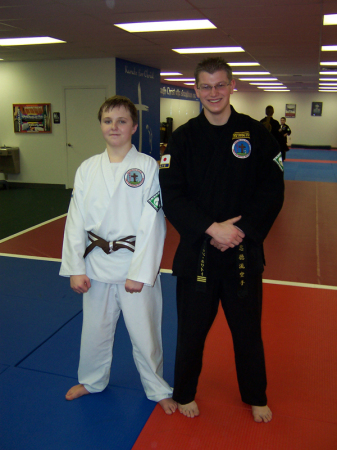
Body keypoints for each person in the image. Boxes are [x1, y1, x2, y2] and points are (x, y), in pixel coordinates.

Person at [159, 57, 284, 423]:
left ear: (233, 86)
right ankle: (183, 392)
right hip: (198, 251)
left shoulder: (257, 134)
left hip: (242, 252)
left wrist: (239, 231)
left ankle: (255, 396)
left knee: (247, 331)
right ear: (196, 90)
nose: (213, 93)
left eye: (220, 85)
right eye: (205, 86)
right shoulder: (182, 139)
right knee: (191, 331)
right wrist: (212, 228)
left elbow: (272, 190)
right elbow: (173, 194)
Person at [59, 95, 177, 415]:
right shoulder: (87, 169)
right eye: (108, 121)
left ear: (134, 127)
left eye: (122, 121)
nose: (114, 127)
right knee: (95, 329)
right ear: (100, 125)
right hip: (95, 262)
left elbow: (153, 222)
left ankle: (156, 387)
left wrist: (140, 273)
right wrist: (75, 267)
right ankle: (92, 380)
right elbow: (76, 220)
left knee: (145, 331)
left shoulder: (147, 167)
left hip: (133, 262)